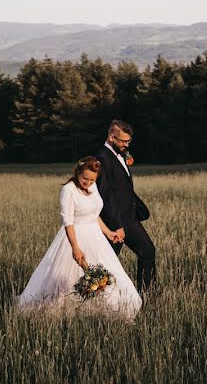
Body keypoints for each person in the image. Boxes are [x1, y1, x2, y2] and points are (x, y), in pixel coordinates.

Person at [13, 156, 142, 319]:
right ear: (77, 173)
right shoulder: (68, 190)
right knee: (69, 277)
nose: (88, 182)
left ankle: (105, 307)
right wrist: (75, 247)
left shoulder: (93, 186)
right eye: (85, 178)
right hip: (75, 236)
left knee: (107, 273)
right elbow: (68, 221)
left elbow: (93, 214)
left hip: (96, 237)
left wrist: (109, 232)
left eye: (92, 179)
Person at [95, 120, 156, 293]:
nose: (126, 145)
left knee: (148, 252)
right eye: (123, 141)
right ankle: (90, 297)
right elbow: (104, 194)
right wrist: (116, 226)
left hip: (130, 218)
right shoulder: (102, 157)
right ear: (111, 137)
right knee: (105, 264)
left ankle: (146, 295)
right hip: (115, 222)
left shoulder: (119, 153)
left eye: (128, 141)